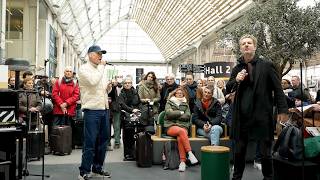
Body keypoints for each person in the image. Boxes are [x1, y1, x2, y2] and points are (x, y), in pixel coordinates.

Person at [226, 34, 288, 180]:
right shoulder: (237, 68)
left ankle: (268, 178)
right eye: (243, 44)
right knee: (239, 152)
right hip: (242, 118)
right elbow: (228, 89)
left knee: (266, 154)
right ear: (240, 48)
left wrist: (283, 110)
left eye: (249, 43)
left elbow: (278, 89)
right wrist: (236, 80)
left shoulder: (266, 65)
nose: (246, 45)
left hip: (262, 117)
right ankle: (236, 178)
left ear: (254, 46)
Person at [78, 45, 112, 180]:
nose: (101, 56)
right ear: (90, 55)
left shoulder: (99, 70)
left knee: (103, 141)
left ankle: (97, 168)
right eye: (98, 54)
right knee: (90, 142)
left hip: (104, 109)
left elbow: (101, 90)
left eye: (101, 54)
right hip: (91, 110)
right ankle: (84, 171)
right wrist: (103, 67)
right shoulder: (83, 69)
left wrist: (108, 88)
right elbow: (92, 82)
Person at [164, 87, 198, 172]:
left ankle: (182, 162)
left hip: (183, 126)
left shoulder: (185, 104)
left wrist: (175, 114)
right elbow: (168, 114)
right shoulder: (169, 102)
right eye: (178, 93)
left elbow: (187, 116)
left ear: (183, 94)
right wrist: (181, 112)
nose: (179, 94)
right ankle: (189, 153)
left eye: (181, 93)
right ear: (174, 94)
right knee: (181, 131)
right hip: (171, 126)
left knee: (180, 137)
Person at [118, 76, 142, 161]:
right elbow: (122, 105)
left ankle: (134, 153)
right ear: (123, 84)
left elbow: (138, 102)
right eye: (126, 83)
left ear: (132, 84)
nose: (127, 84)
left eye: (129, 83)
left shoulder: (135, 92)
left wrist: (137, 111)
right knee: (127, 136)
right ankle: (127, 154)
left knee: (134, 135)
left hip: (135, 115)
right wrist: (132, 110)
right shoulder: (121, 94)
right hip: (126, 116)